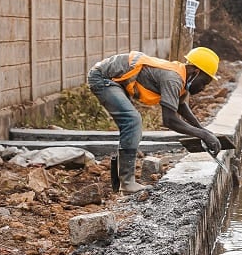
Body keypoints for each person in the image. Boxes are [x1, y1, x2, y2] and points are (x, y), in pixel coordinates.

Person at [88, 47, 223, 194]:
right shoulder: (173, 78)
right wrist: (203, 135)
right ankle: (127, 183)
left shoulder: (181, 77)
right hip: (103, 78)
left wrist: (203, 130)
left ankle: (122, 182)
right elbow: (170, 120)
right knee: (132, 121)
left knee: (131, 126)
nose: (203, 88)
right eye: (204, 82)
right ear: (195, 72)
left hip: (114, 78)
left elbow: (180, 106)